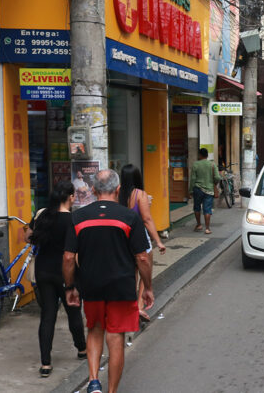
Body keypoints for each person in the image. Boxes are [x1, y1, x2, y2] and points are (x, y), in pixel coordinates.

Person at [63, 169, 154, 393]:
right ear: (118, 190)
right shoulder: (130, 217)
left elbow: (67, 257)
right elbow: (142, 257)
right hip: (121, 287)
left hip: (91, 285)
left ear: (93, 190)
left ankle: (94, 382)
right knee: (115, 339)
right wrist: (148, 287)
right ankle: (111, 391)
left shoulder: (78, 216)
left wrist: (70, 287)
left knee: (94, 330)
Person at [31, 180, 86, 378]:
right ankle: (81, 349)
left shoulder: (43, 215)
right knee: (73, 312)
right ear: (71, 197)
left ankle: (45, 363)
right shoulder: (73, 220)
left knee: (47, 315)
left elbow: (28, 236)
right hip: (65, 272)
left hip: (43, 271)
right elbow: (75, 253)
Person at [119, 164, 166, 322]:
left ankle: (130, 307)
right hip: (139, 238)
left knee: (131, 272)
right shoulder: (140, 194)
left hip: (121, 238)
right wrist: (158, 241)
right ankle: (139, 306)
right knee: (145, 269)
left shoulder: (117, 193)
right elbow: (146, 219)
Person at [189, 148, 221, 235]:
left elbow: (193, 179)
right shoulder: (212, 164)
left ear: (200, 155)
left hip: (197, 189)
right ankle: (207, 228)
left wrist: (190, 190)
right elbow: (218, 178)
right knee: (207, 209)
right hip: (209, 190)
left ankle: (199, 225)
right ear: (207, 155)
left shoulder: (196, 164)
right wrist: (213, 183)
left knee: (197, 207)